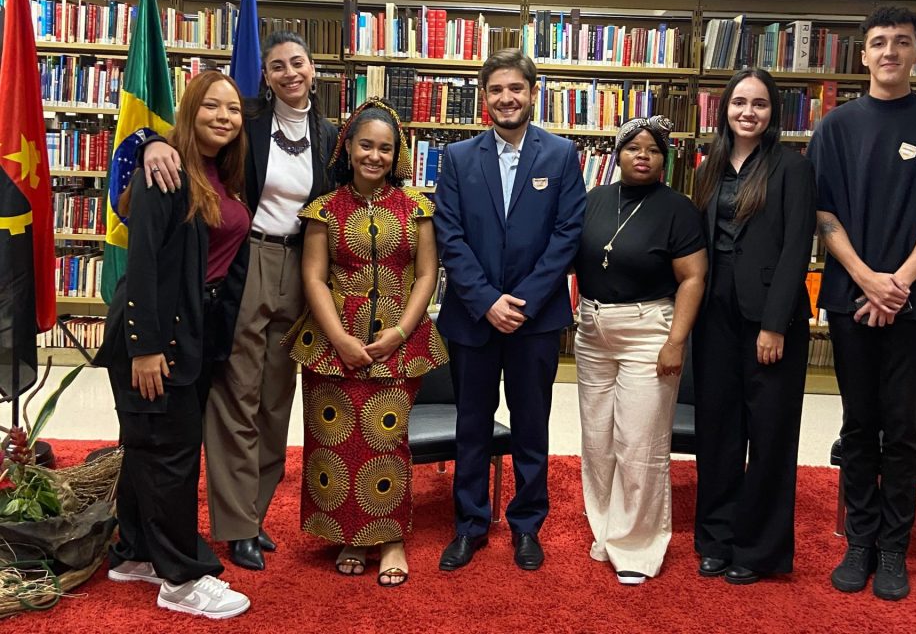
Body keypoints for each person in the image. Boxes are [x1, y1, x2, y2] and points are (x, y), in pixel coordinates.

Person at [143, 31, 339, 570]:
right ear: (266, 77)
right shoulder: (246, 120)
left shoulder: (329, 135)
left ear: (313, 69)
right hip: (247, 261)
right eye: (277, 66)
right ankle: (235, 526)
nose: (289, 73)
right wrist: (149, 142)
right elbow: (188, 132)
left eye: (297, 62)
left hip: (304, 268)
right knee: (236, 394)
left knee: (276, 400)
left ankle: (255, 512)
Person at [809, 6, 916, 601]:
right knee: (859, 424)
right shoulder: (835, 127)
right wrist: (866, 278)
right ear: (863, 54)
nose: (889, 52)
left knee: (904, 429)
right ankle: (859, 539)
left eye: (901, 42)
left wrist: (897, 283)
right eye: (879, 42)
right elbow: (822, 213)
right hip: (849, 299)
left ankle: (892, 547)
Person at [94, 71, 252, 619]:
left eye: (233, 109)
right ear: (189, 110)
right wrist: (144, 347)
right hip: (155, 334)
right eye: (211, 106)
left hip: (194, 331)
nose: (224, 117)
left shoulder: (220, 173)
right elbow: (141, 262)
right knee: (172, 457)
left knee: (149, 447)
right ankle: (181, 579)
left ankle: (136, 552)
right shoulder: (164, 172)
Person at [433, 48, 587, 571]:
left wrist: (522, 302)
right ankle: (470, 525)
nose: (506, 98)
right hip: (473, 318)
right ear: (484, 97)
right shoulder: (458, 158)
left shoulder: (561, 155)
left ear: (532, 93)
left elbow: (567, 235)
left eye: (516, 88)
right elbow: (450, 235)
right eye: (496, 89)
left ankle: (527, 526)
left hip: (535, 320)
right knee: (471, 425)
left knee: (531, 425)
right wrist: (486, 300)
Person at [283, 98, 446, 587]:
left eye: (385, 148)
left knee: (386, 439)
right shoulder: (323, 209)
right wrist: (339, 339)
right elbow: (313, 277)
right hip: (332, 343)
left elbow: (427, 275)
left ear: (397, 155)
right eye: (366, 146)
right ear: (348, 147)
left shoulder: (418, 208)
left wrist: (400, 332)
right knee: (335, 441)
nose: (375, 156)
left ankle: (391, 538)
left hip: (399, 340)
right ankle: (351, 535)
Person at [690, 68, 817, 585]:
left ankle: (758, 549)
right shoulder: (709, 166)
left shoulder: (793, 168)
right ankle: (716, 539)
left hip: (770, 318)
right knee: (717, 430)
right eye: (739, 102)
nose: (748, 112)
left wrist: (775, 324)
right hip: (714, 314)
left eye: (759, 104)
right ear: (724, 108)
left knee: (769, 434)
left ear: (773, 113)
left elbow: (797, 248)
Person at [573, 115, 706, 586]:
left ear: (664, 159)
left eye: (652, 149)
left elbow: (693, 278)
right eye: (633, 148)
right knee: (597, 440)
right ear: (618, 154)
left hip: (649, 332)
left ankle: (637, 545)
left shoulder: (678, 209)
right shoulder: (594, 199)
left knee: (639, 442)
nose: (642, 156)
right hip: (592, 330)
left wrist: (676, 342)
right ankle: (606, 530)